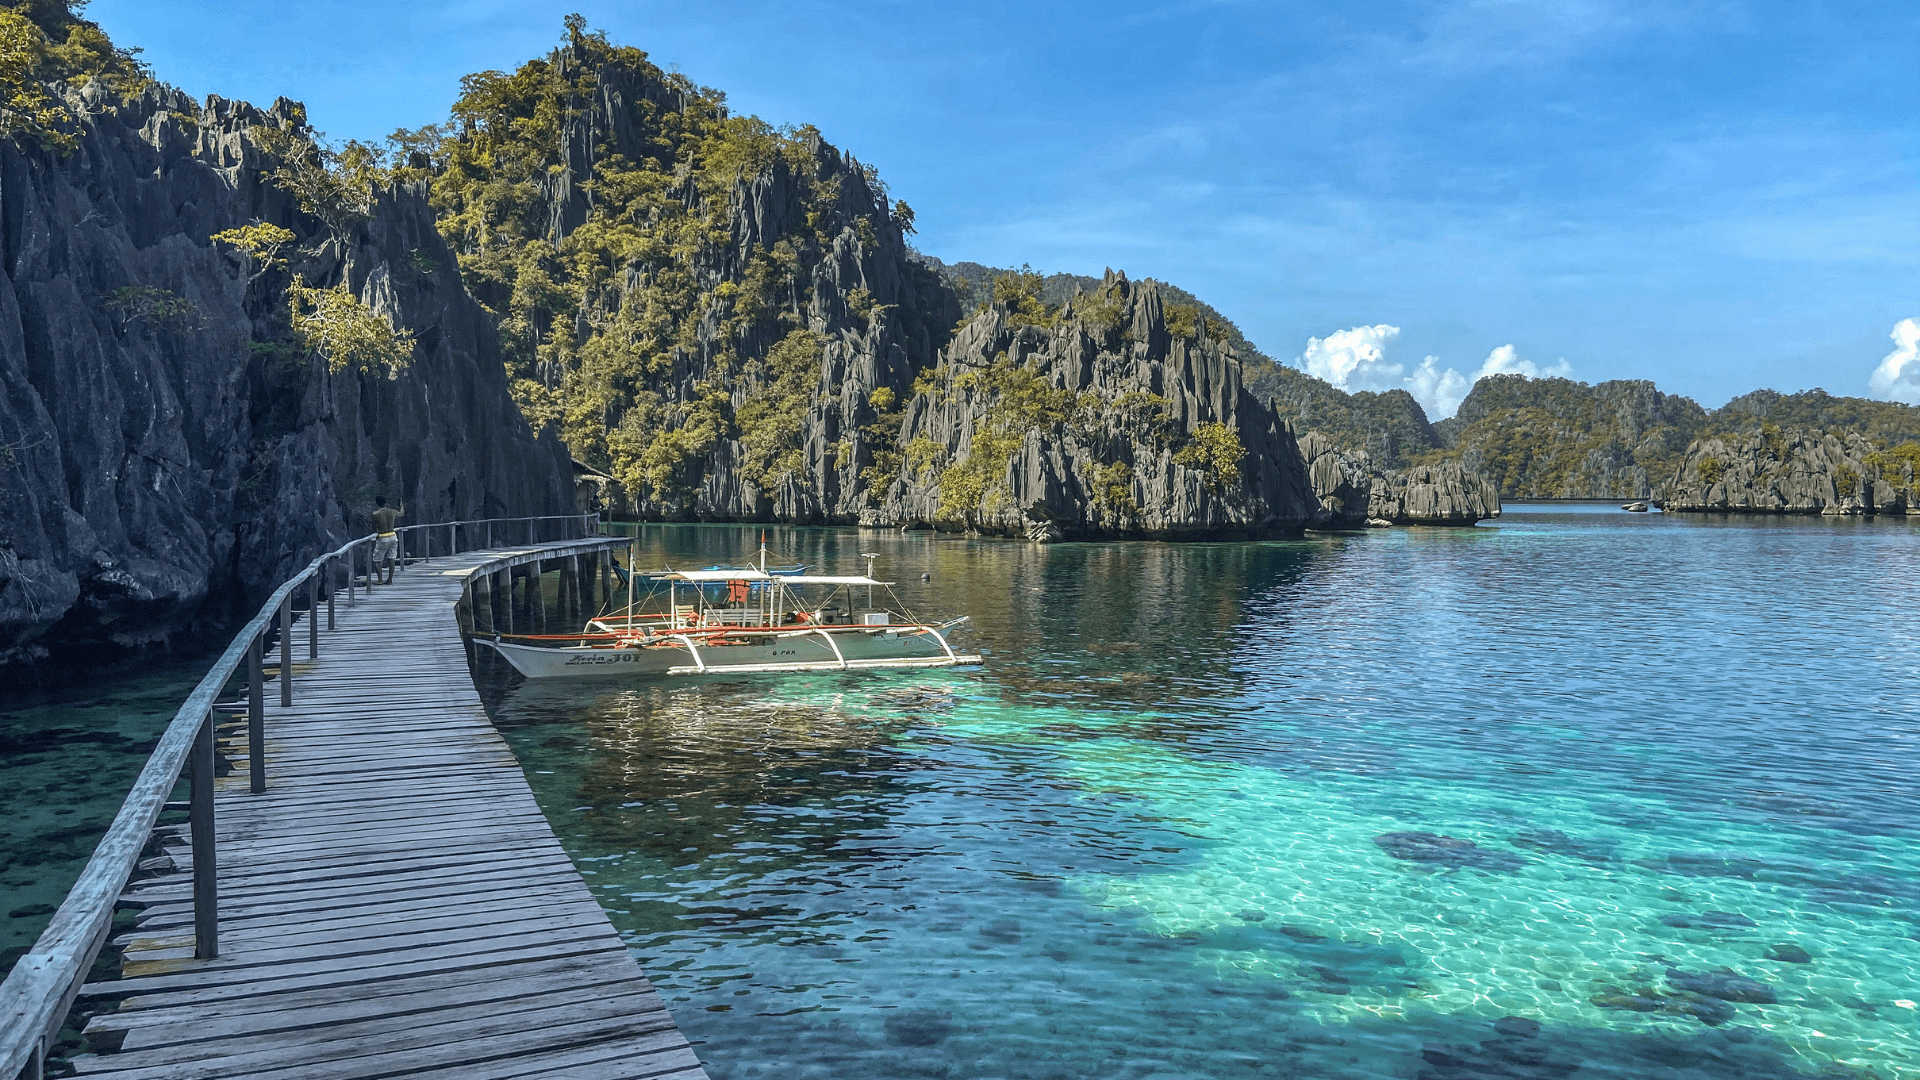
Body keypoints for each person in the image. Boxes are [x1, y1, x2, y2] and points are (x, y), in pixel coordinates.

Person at [369, 496, 404, 584]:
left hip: (382, 537)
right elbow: (401, 513)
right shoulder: (392, 511)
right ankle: (390, 580)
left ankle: (380, 579)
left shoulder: (375, 514)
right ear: (386, 502)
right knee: (391, 558)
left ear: (377, 503)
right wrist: (401, 505)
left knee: (378, 560)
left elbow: (374, 527)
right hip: (393, 536)